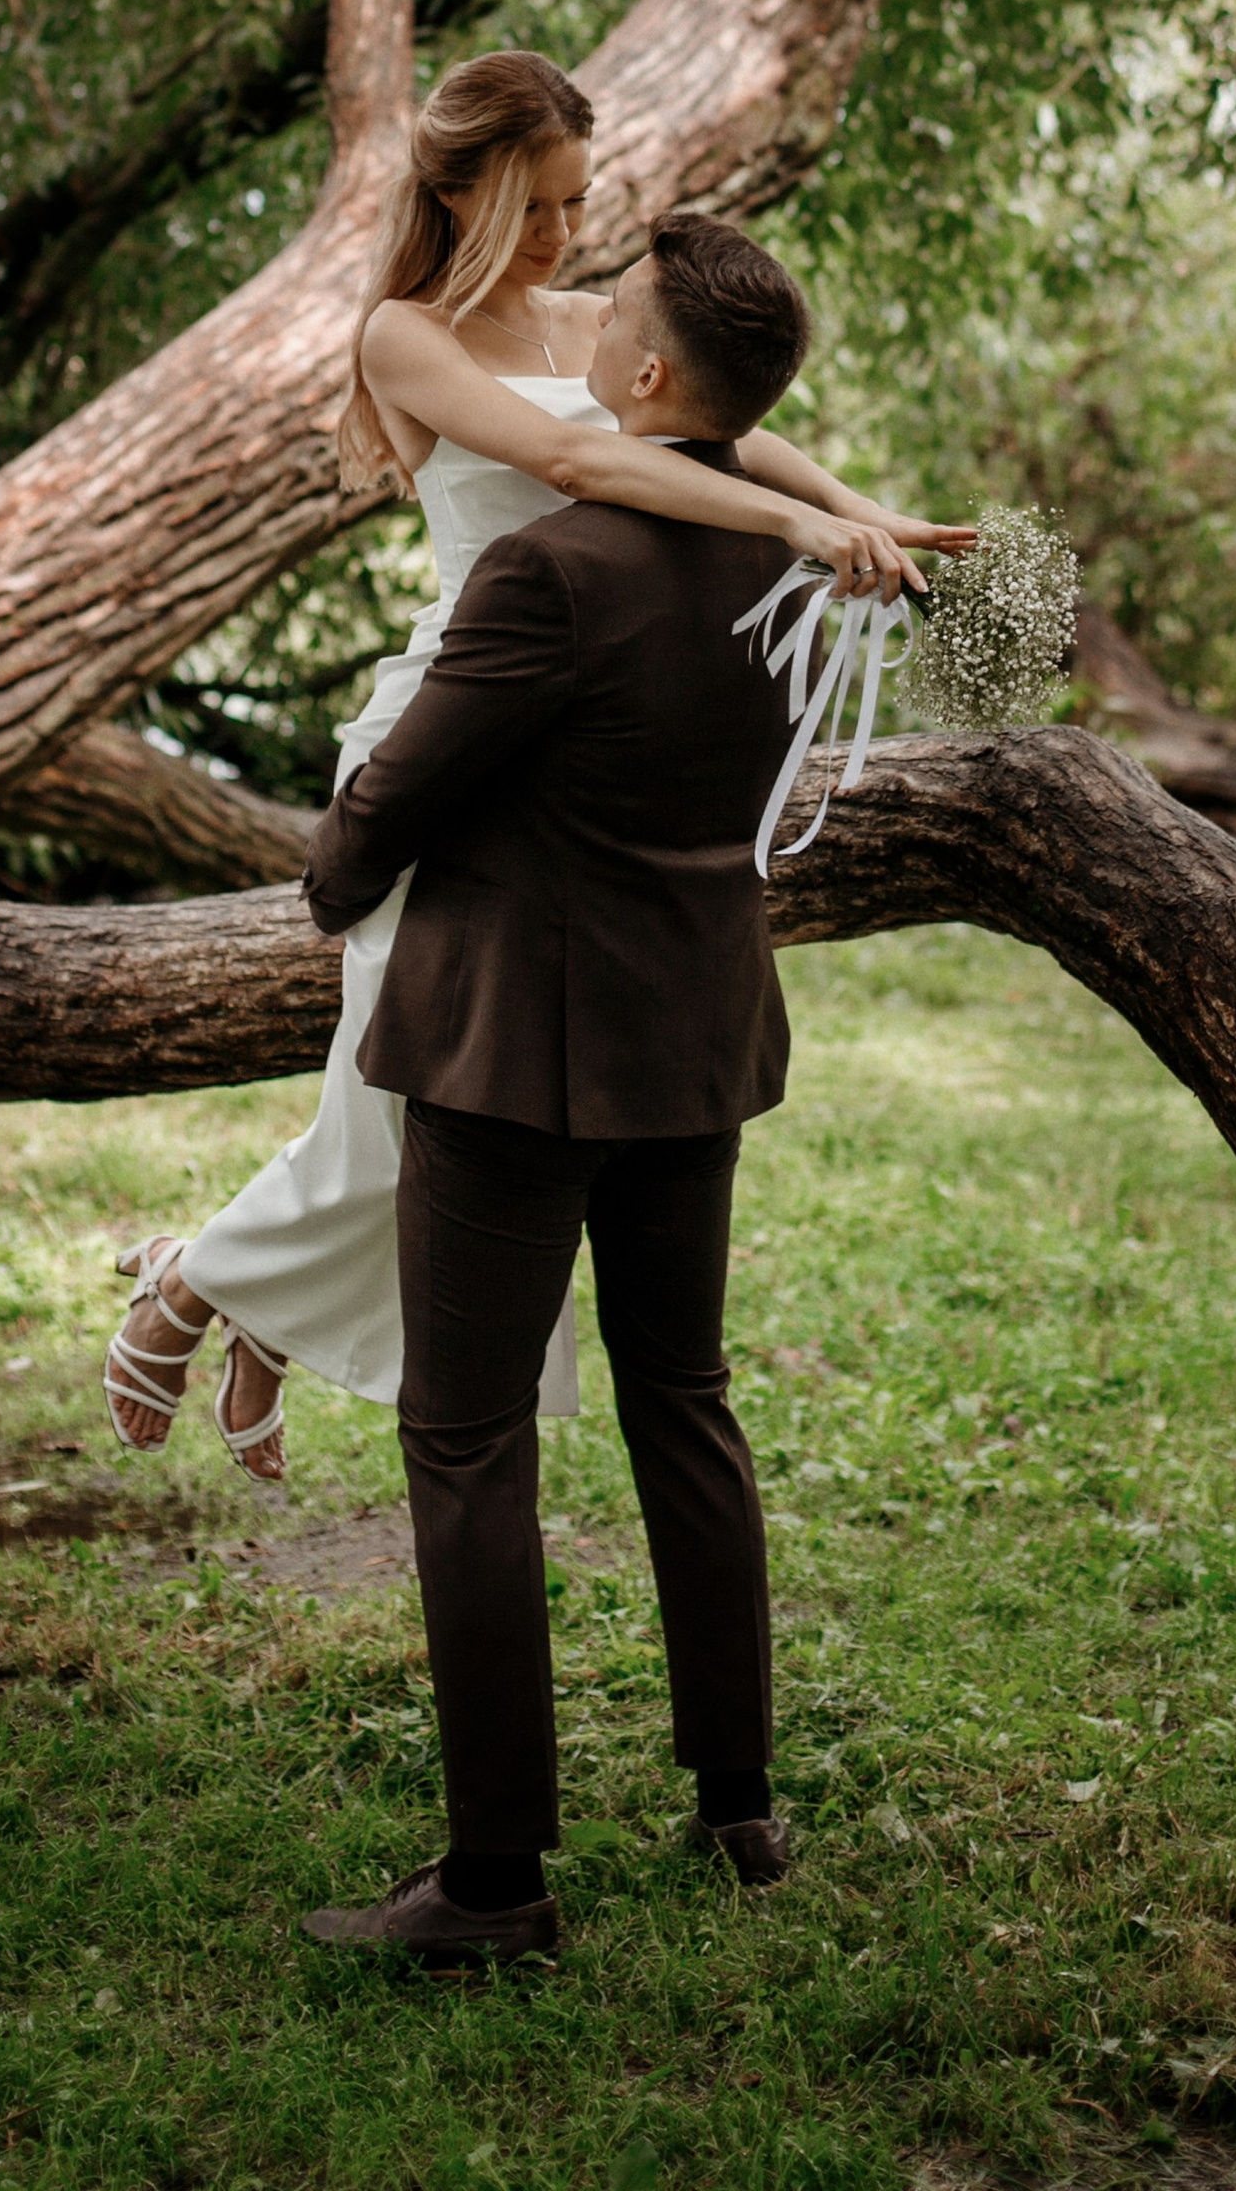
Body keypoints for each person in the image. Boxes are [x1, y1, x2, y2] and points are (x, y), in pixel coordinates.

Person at [101, 50, 960, 1483]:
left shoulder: (588, 323)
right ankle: (196, 1283)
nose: (570, 238)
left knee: (406, 1108)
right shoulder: (407, 339)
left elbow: (741, 436)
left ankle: (222, 1291)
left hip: (591, 750)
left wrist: (870, 514)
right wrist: (793, 533)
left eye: (579, 203)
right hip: (462, 732)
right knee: (395, 1102)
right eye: (542, 207)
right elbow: (591, 475)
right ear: (465, 193)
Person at [297, 212, 840, 1964]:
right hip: (690, 1036)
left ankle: (494, 1884)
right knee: (684, 1395)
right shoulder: (783, 569)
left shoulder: (547, 571)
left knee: (467, 1441)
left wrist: (331, 872)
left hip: (512, 1051)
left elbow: (396, 800)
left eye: (614, 311)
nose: (584, 321)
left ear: (654, 376)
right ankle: (737, 1803)